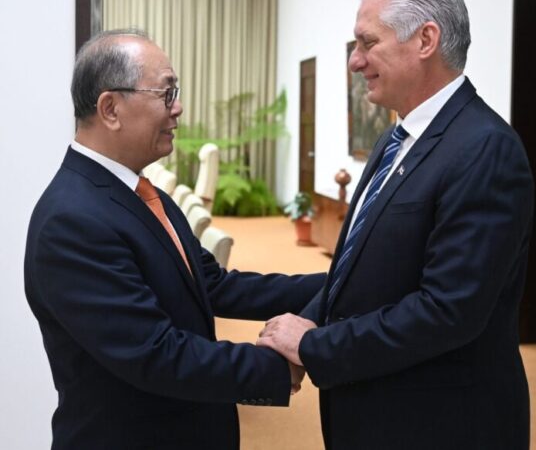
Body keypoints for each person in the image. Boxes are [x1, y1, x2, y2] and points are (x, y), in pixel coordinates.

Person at [258, 0, 533, 450]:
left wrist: (314, 345)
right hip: (376, 411)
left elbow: (447, 311)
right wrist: (304, 326)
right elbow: (354, 271)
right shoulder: (394, 139)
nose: (355, 61)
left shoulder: (485, 148)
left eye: (367, 43)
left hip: (440, 426)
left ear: (425, 39)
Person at [24, 29, 324, 449]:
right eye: (166, 94)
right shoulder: (72, 221)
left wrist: (338, 283)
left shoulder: (144, 193)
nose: (178, 107)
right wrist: (274, 366)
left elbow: (213, 285)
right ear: (110, 109)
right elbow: (155, 354)